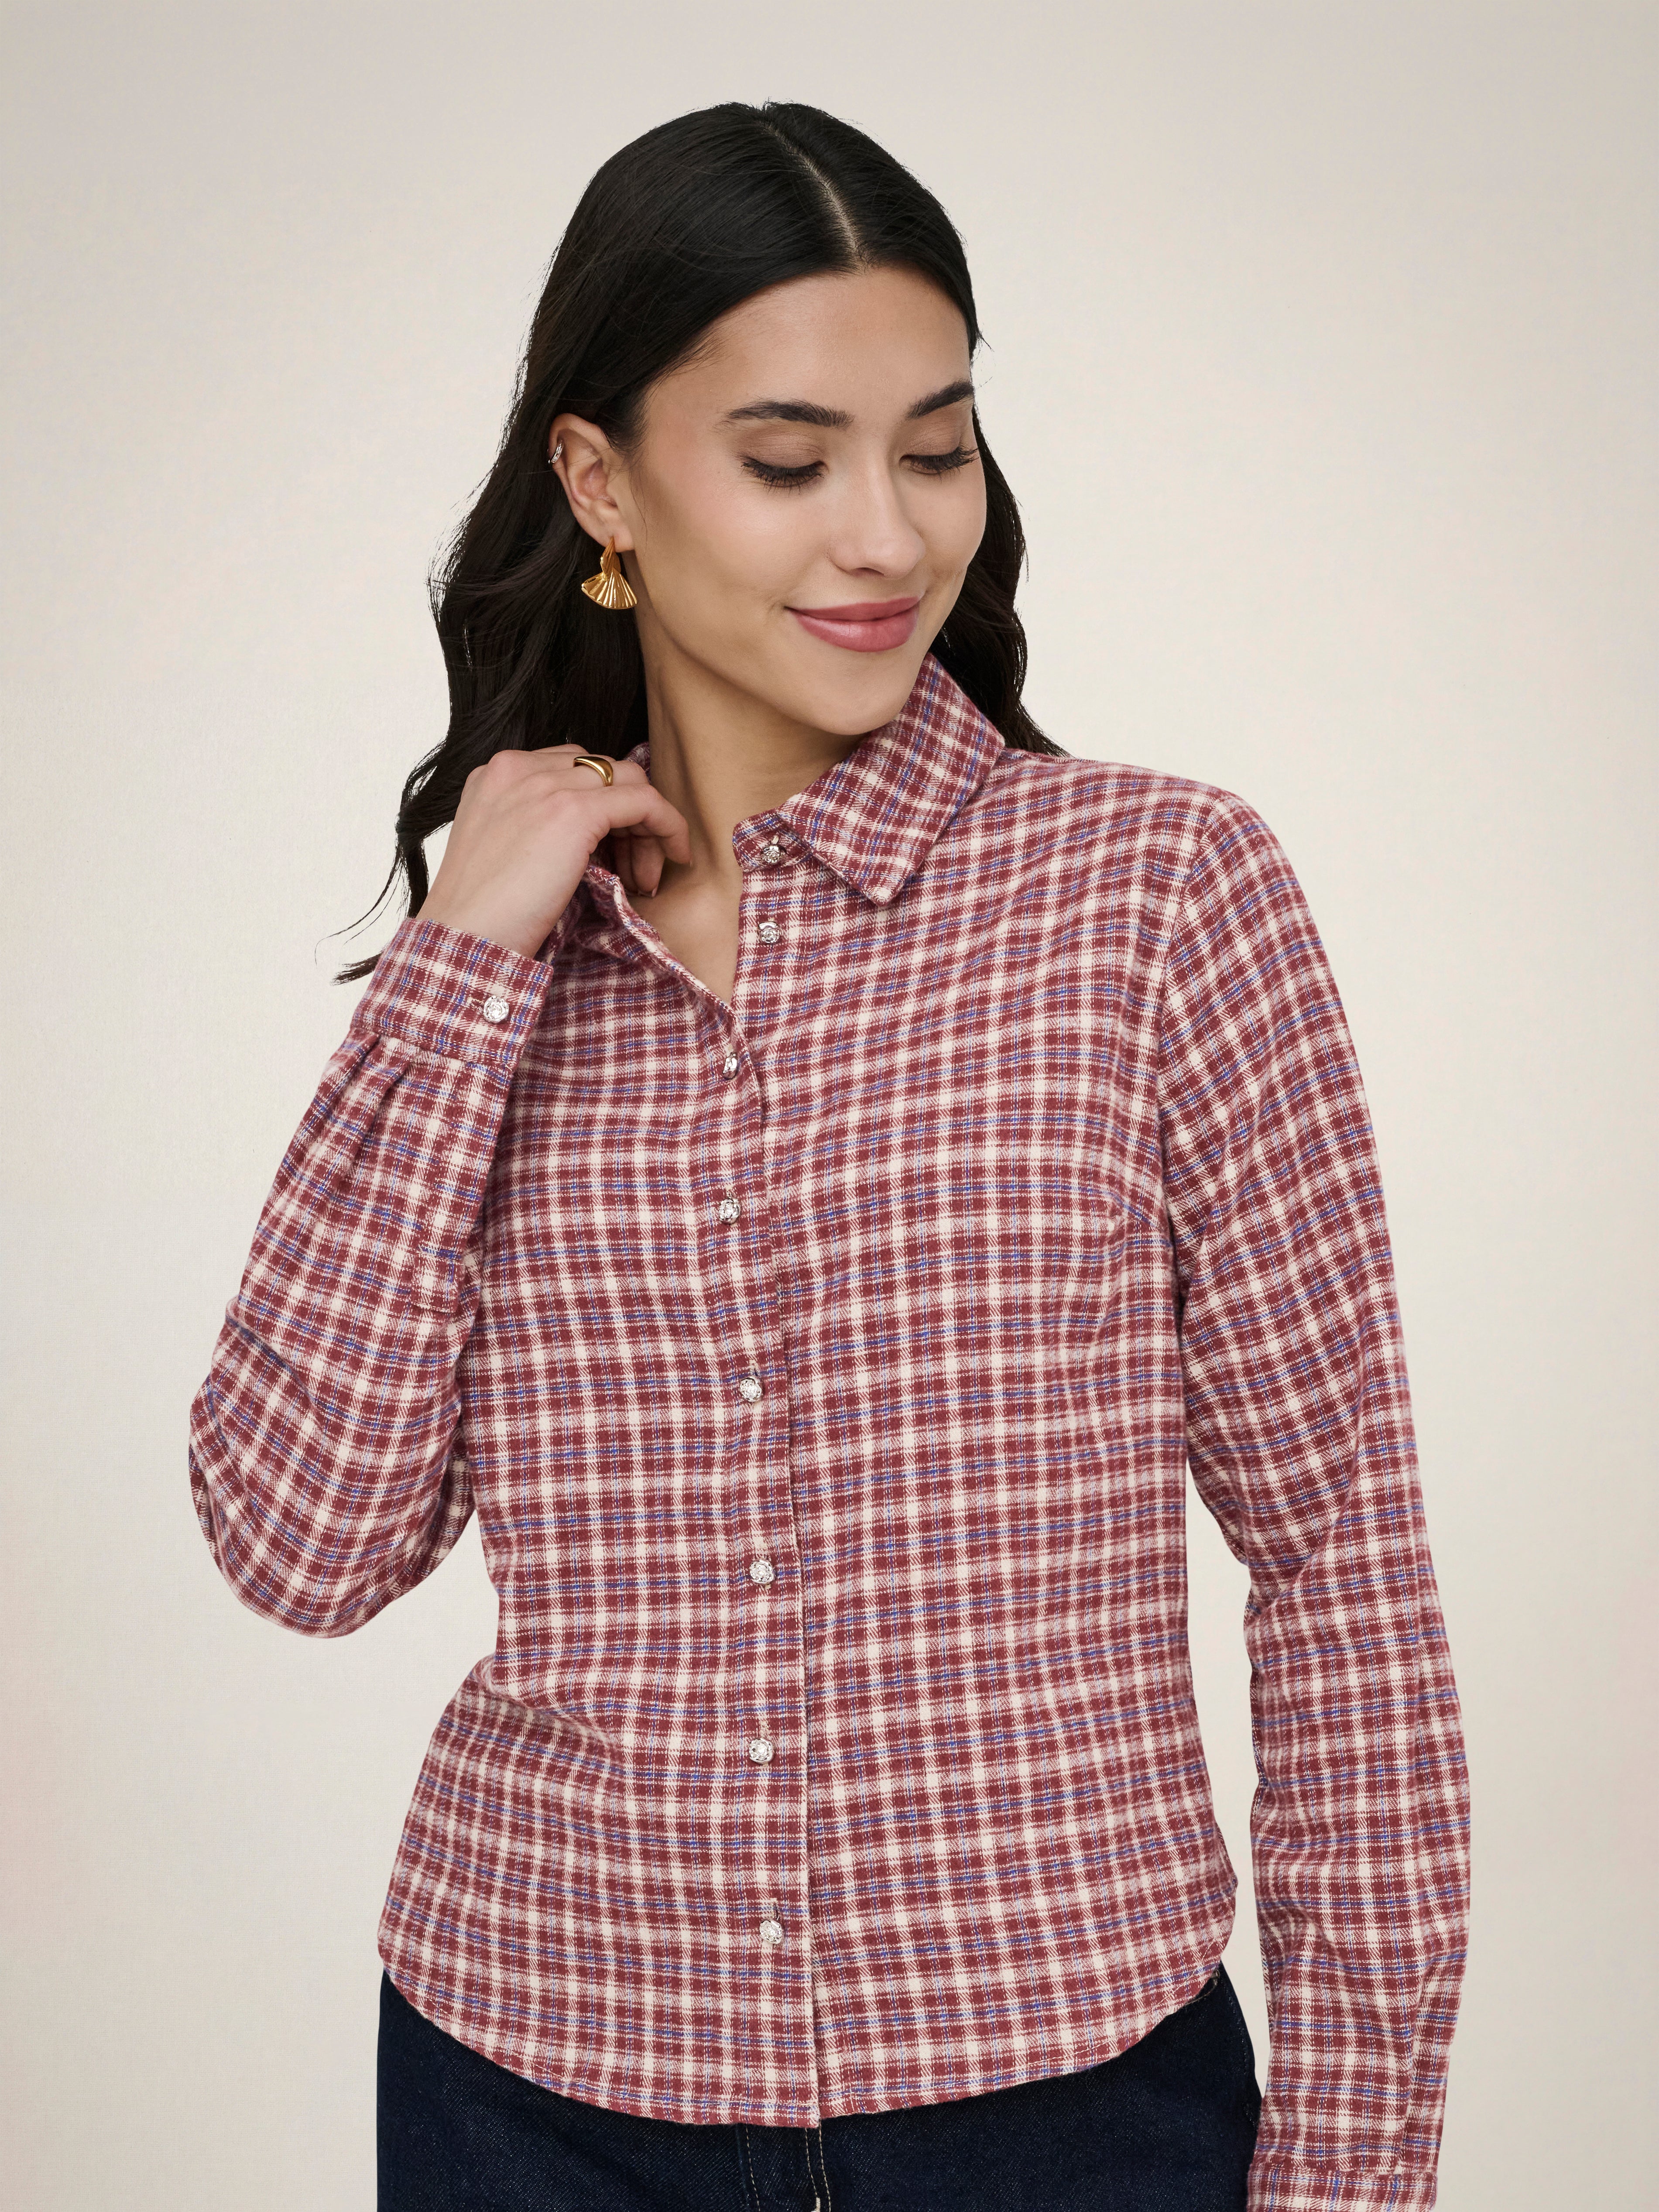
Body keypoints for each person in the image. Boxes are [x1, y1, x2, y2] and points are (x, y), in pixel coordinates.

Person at [188, 100, 1470, 2212]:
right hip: (532, 2090)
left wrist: (1349, 2166)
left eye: (936, 447)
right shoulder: (509, 964)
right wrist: (458, 960)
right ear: (601, 481)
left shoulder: (1159, 895)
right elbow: (298, 1542)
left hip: (1071, 2104)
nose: (885, 534)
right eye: (790, 461)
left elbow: (1345, 1577)